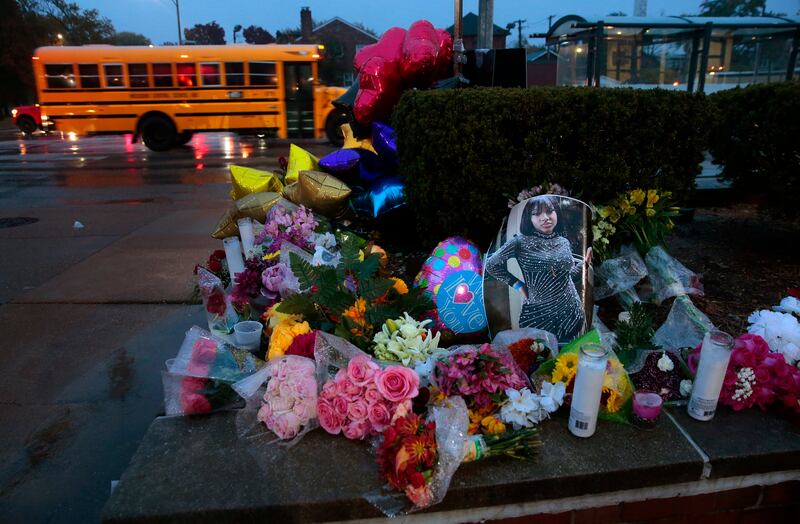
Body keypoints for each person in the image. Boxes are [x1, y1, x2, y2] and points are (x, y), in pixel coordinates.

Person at [485, 195, 588, 342]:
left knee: (567, 359)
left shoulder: (563, 242)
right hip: (538, 315)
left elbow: (567, 275)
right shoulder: (519, 242)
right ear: (528, 218)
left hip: (571, 312)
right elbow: (491, 264)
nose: (545, 218)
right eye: (537, 213)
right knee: (536, 357)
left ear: (556, 213)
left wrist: (584, 264)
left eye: (550, 211)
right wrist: (519, 285)